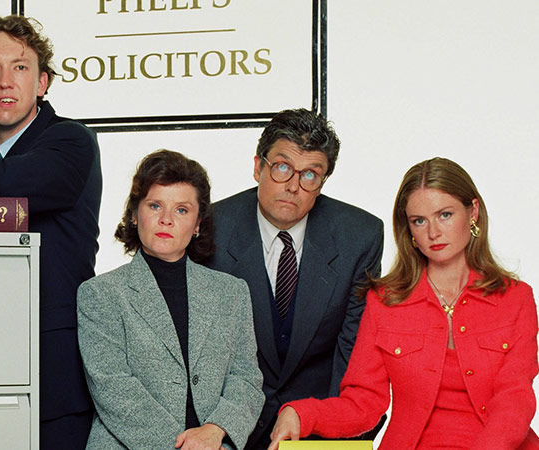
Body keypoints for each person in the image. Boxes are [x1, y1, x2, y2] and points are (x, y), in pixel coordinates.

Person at [268, 157, 538, 449]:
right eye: (419, 221)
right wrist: (300, 413)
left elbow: (515, 398)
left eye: (444, 215)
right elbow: (364, 402)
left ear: (473, 212)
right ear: (408, 230)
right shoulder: (384, 302)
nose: (433, 232)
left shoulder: (515, 298)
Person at [0, 14, 102, 448]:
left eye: (20, 68)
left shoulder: (72, 140)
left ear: (42, 83)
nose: (5, 82)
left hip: (53, 364)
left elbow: (4, 185)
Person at [206, 108, 384, 449]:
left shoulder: (359, 235)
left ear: (323, 182)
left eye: (310, 175)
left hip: (316, 427)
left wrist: (328, 439)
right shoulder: (211, 228)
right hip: (226, 427)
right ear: (258, 167)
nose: (292, 186)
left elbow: (351, 353)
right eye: (282, 168)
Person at [77, 149, 264, 449]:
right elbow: (114, 390)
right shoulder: (100, 294)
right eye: (154, 206)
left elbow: (246, 380)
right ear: (134, 215)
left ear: (198, 224)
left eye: (181, 210)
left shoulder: (232, 293)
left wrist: (214, 431)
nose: (166, 220)